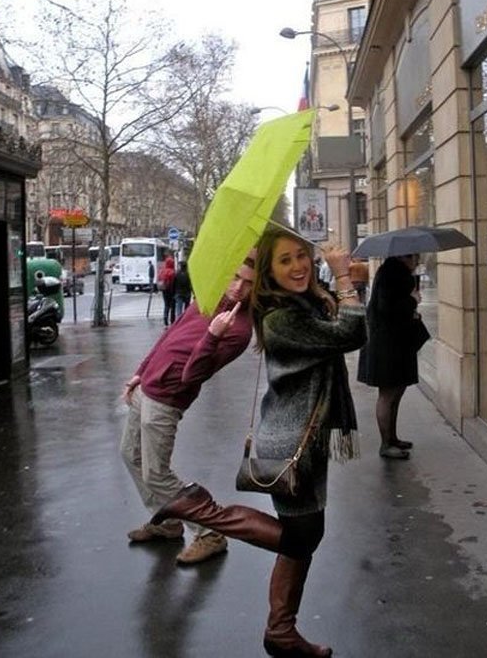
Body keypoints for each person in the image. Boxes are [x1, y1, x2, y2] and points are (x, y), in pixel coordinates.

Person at [150, 229, 366, 657]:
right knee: (301, 538)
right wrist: (343, 281)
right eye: (284, 261)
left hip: (309, 435)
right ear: (269, 272)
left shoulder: (300, 303)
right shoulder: (281, 319)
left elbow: (337, 321)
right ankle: (200, 509)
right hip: (290, 441)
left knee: (306, 533)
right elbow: (349, 334)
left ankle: (281, 631)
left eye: (301, 256)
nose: (298, 266)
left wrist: (339, 285)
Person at [120, 253, 256, 566]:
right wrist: (140, 372)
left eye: (248, 283)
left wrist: (213, 336)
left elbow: (192, 375)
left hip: (167, 400)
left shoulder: (238, 331)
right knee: (130, 455)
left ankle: (210, 533)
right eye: (235, 277)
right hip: (146, 388)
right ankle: (167, 522)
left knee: (157, 473)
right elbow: (170, 335)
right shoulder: (209, 298)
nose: (238, 288)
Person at [357, 253, 424, 460]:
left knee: (396, 392)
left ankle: (392, 438)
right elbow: (387, 308)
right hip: (387, 346)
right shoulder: (391, 274)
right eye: (414, 257)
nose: (417, 261)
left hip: (394, 344)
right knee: (388, 395)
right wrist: (412, 301)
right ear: (405, 258)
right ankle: (386, 443)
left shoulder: (394, 273)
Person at [158, 255, 176, 326]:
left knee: (166, 305)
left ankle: (165, 318)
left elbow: (159, 279)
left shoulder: (162, 271)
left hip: (164, 290)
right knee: (172, 306)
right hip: (171, 291)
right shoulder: (172, 272)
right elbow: (174, 282)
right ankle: (172, 320)